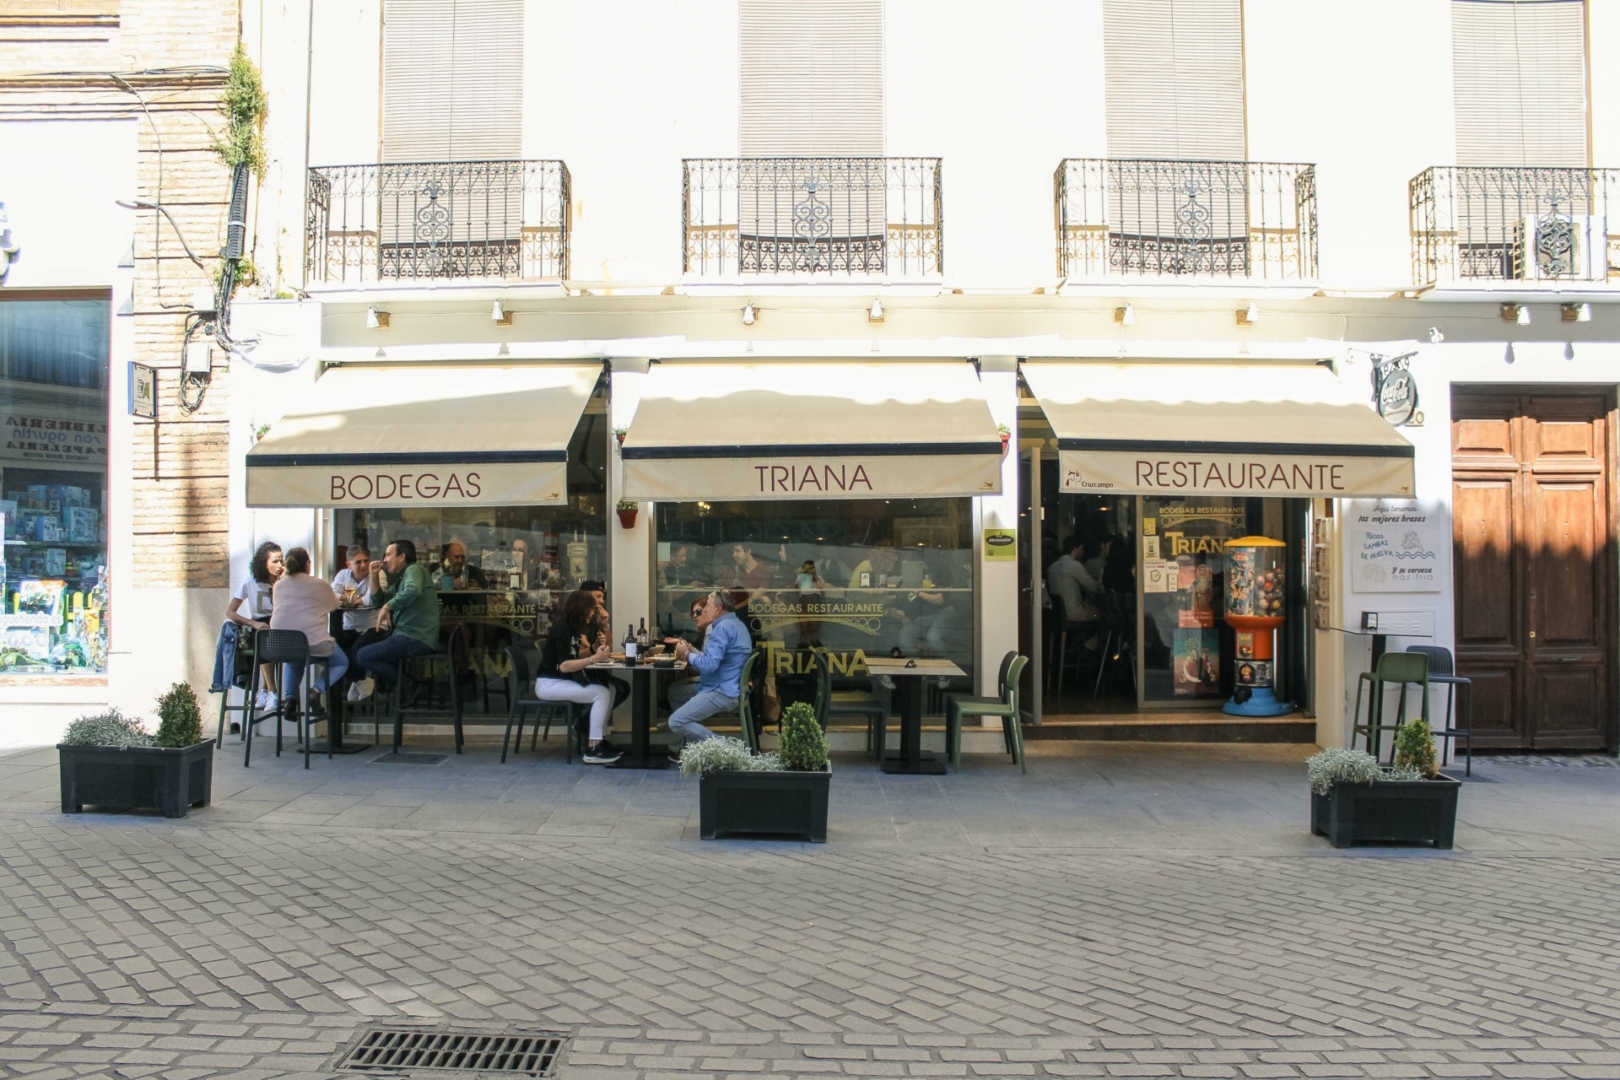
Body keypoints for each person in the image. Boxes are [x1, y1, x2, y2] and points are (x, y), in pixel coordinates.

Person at [534, 589, 620, 764]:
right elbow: (565, 665)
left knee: (608, 689)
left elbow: (574, 657)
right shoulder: (563, 630)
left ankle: (598, 741)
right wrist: (593, 659)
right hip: (550, 683)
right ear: (581, 609)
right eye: (590, 609)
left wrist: (593, 649)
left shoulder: (571, 628)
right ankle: (593, 748)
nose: (592, 613)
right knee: (602, 693)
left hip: (557, 681)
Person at [353, 539, 441, 701]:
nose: (385, 560)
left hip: (416, 637)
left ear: (402, 557)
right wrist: (373, 576)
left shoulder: (414, 570)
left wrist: (388, 607)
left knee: (364, 655)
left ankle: (410, 686)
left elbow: (413, 590)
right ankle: (406, 687)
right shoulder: (401, 578)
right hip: (407, 635)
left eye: (388, 555)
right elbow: (377, 601)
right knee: (362, 651)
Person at [665, 590, 753, 751]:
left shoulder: (721, 629)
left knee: (676, 722)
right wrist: (689, 651)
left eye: (708, 607)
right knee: (676, 692)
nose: (706, 610)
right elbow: (712, 661)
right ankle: (693, 746)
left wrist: (686, 654)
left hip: (721, 691)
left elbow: (709, 665)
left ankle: (728, 749)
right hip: (729, 686)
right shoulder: (738, 625)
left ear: (718, 609)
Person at [269, 547, 347, 712]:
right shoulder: (319, 584)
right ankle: (316, 691)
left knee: (294, 659)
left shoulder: (278, 585)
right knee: (341, 662)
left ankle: (290, 699)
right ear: (307, 564)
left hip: (279, 644)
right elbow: (334, 606)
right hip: (313, 644)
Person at [219, 541, 284, 711]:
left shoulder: (286, 582)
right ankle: (272, 691)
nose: (280, 566)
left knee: (267, 638)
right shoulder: (250, 582)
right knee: (262, 636)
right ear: (264, 563)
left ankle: (267, 690)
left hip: (282, 625)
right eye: (275, 561)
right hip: (260, 626)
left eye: (282, 561)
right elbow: (230, 612)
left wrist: (281, 584)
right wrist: (252, 622)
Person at [331, 545, 377, 675]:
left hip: (372, 626)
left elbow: (371, 599)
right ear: (348, 564)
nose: (363, 565)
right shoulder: (343, 575)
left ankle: (359, 681)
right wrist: (352, 598)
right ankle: (360, 681)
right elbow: (331, 595)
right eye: (358, 562)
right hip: (349, 626)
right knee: (337, 651)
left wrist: (346, 599)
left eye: (366, 560)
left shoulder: (377, 574)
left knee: (357, 651)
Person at [1047, 535, 1103, 625]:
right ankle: (1091, 639)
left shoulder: (1052, 567)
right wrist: (1101, 579)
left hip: (1056, 614)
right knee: (1103, 615)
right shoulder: (1074, 565)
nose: (1083, 551)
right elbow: (1093, 587)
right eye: (1082, 548)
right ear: (1075, 550)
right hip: (1074, 614)